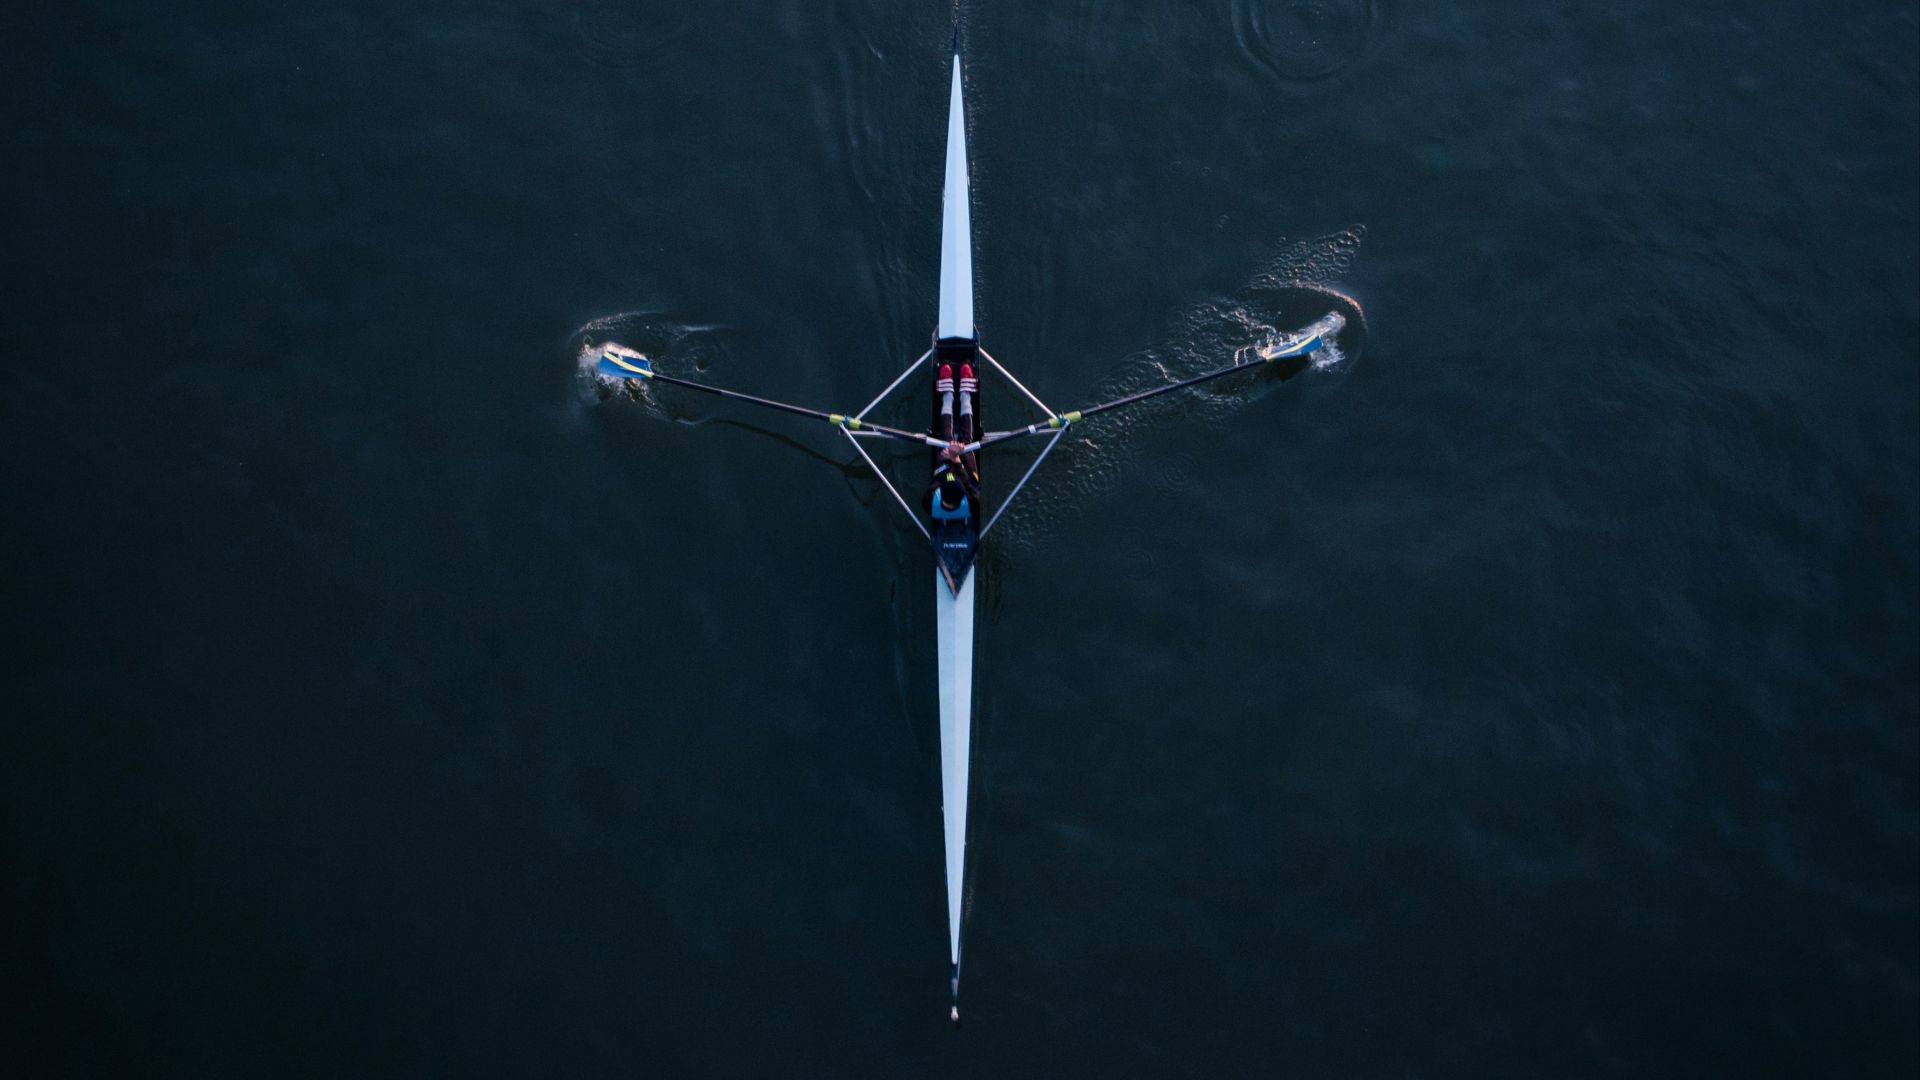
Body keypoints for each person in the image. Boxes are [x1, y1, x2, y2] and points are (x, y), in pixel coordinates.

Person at [924, 361, 983, 523]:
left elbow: (938, 478)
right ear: (963, 493)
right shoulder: (973, 502)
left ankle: (948, 396)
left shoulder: (929, 501)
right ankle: (965, 395)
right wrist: (957, 459)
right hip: (968, 477)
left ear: (940, 493)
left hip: (945, 470)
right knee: (966, 443)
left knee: (946, 441)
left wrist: (949, 457)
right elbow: (968, 483)